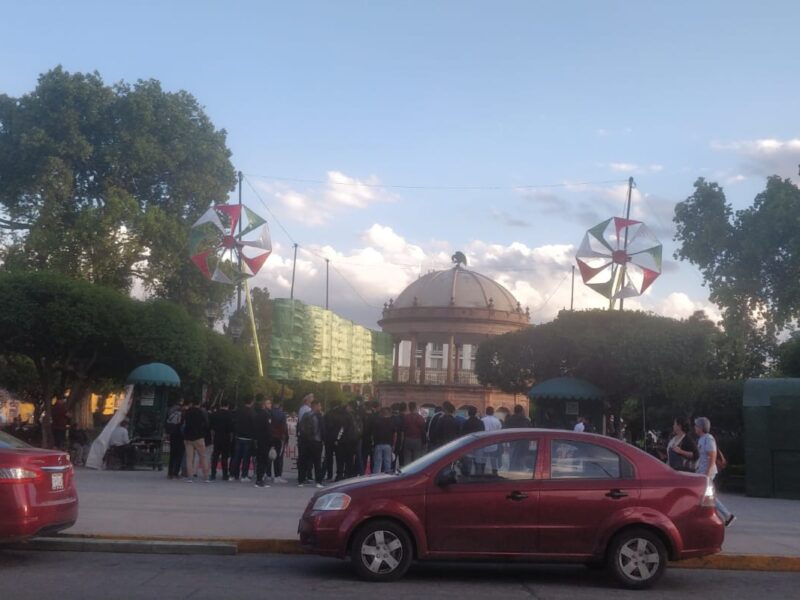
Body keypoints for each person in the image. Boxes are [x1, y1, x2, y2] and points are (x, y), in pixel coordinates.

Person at [694, 417, 735, 527]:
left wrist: (707, 474)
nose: (695, 428)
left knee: (707, 496)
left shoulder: (708, 439)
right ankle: (726, 515)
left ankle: (726, 515)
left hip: (707, 472)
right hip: (702, 472)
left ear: (701, 427)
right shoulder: (701, 439)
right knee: (707, 495)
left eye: (696, 426)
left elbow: (712, 456)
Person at [298, 399, 325, 487]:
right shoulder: (319, 416)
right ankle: (318, 481)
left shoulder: (305, 415)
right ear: (315, 406)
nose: (320, 407)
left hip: (305, 441)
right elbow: (322, 429)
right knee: (317, 462)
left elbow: (300, 427)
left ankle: (301, 481)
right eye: (319, 405)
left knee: (303, 461)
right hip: (316, 441)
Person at [183, 399, 210, 482]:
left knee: (189, 458)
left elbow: (184, 424)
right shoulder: (201, 412)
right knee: (203, 457)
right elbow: (206, 424)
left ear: (192, 403)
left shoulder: (187, 412)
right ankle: (206, 476)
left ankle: (190, 477)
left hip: (188, 438)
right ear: (199, 404)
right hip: (199, 437)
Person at [230, 397, 256, 481]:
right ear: (251, 402)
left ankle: (233, 475)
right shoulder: (252, 412)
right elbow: (254, 425)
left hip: (238, 436)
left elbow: (234, 422)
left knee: (236, 457)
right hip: (248, 438)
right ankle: (244, 476)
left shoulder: (238, 410)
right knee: (246, 458)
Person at [209, 401, 234, 481]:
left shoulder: (215, 414)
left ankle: (213, 474)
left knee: (215, 456)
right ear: (227, 405)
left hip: (217, 437)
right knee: (224, 457)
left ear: (221, 405)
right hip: (226, 438)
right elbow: (231, 428)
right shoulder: (229, 414)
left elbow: (211, 426)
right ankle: (225, 474)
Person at [334, 402, 359, 480]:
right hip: (351, 440)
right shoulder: (352, 416)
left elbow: (341, 429)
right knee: (349, 459)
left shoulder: (341, 417)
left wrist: (337, 439)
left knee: (340, 459)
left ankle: (339, 475)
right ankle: (348, 474)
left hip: (343, 441)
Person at [253, 396, 273, 488]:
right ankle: (260, 480)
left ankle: (259, 478)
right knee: (263, 461)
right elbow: (268, 429)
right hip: (265, 440)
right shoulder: (266, 414)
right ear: (264, 405)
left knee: (259, 460)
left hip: (258, 439)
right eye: (268, 403)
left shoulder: (256, 414)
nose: (270, 405)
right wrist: (271, 441)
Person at [267, 400, 289, 483]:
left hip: (270, 437)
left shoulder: (269, 413)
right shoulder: (282, 414)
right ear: (279, 405)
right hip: (279, 437)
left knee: (270, 455)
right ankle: (277, 476)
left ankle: (268, 474)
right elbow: (284, 427)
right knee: (278, 457)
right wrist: (286, 438)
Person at [371, 406, 396, 474]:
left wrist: (373, 443)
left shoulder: (377, 421)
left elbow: (373, 434)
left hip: (378, 444)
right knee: (387, 463)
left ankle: (375, 477)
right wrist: (393, 444)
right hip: (388, 444)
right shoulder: (392, 422)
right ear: (389, 413)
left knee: (377, 463)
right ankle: (387, 477)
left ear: (382, 413)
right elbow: (395, 434)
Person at [296, 394, 314, 484]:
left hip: (302, 436)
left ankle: (302, 475)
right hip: (307, 437)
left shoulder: (301, 409)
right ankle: (307, 475)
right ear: (307, 401)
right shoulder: (308, 410)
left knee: (302, 457)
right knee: (308, 457)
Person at [165, 399, 185, 479]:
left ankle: (170, 473)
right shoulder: (182, 413)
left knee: (172, 454)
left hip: (172, 434)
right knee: (179, 454)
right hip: (180, 435)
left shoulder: (170, 411)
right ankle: (176, 472)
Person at [481, 406, 503, 475]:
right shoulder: (497, 421)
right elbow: (500, 432)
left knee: (483, 460)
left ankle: (481, 473)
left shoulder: (482, 420)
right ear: (493, 412)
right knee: (494, 460)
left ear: (486, 412)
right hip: (494, 444)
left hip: (484, 444)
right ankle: (495, 473)